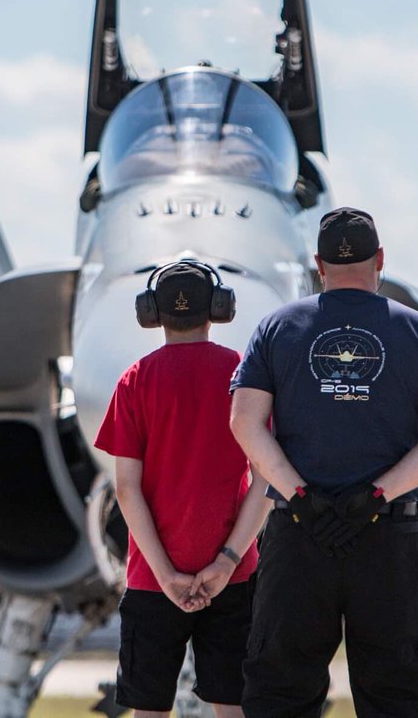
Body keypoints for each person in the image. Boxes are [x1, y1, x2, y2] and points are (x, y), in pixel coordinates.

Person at [229, 208, 418, 718]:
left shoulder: (275, 328)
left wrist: (301, 497)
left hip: (298, 538)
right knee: (399, 695)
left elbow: (245, 423)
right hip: (388, 541)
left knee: (279, 693)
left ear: (318, 264)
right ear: (380, 259)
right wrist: (374, 497)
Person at [95, 260, 272, 718]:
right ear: (218, 309)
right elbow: (266, 479)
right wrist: (227, 560)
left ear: (150, 312)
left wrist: (165, 575)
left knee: (147, 710)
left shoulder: (135, 381)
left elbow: (127, 492)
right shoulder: (243, 375)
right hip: (233, 577)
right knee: (233, 708)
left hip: (151, 578)